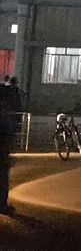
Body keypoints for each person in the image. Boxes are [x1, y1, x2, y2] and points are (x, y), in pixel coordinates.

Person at [0, 82, 22, 215]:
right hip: (2, 154)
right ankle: (2, 204)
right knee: (2, 177)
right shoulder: (5, 117)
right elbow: (7, 134)